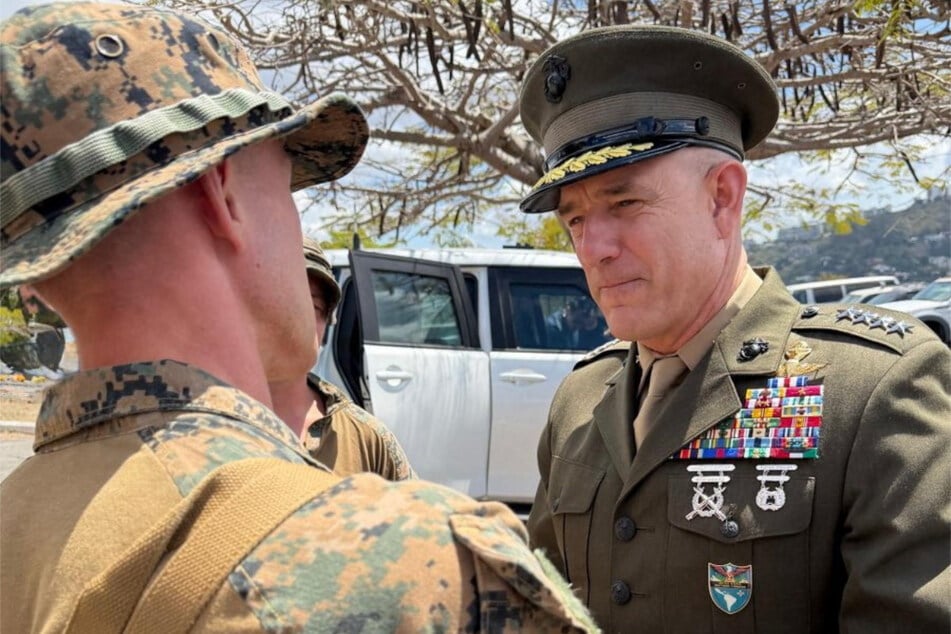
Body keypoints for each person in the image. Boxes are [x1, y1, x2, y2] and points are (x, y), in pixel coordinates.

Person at [0, 4, 597, 632]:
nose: (297, 227)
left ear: (38, 272)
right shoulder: (416, 573)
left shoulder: (19, 525)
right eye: (286, 189)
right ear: (222, 192)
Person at [519, 25, 950, 632]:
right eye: (575, 220)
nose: (596, 248)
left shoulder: (871, 390)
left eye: (624, 204)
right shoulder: (581, 401)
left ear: (722, 197)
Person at [269, 237, 416, 480]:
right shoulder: (203, 429)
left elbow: (414, 512)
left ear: (326, 323)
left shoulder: (365, 438)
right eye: (282, 301)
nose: (299, 320)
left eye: (313, 307)